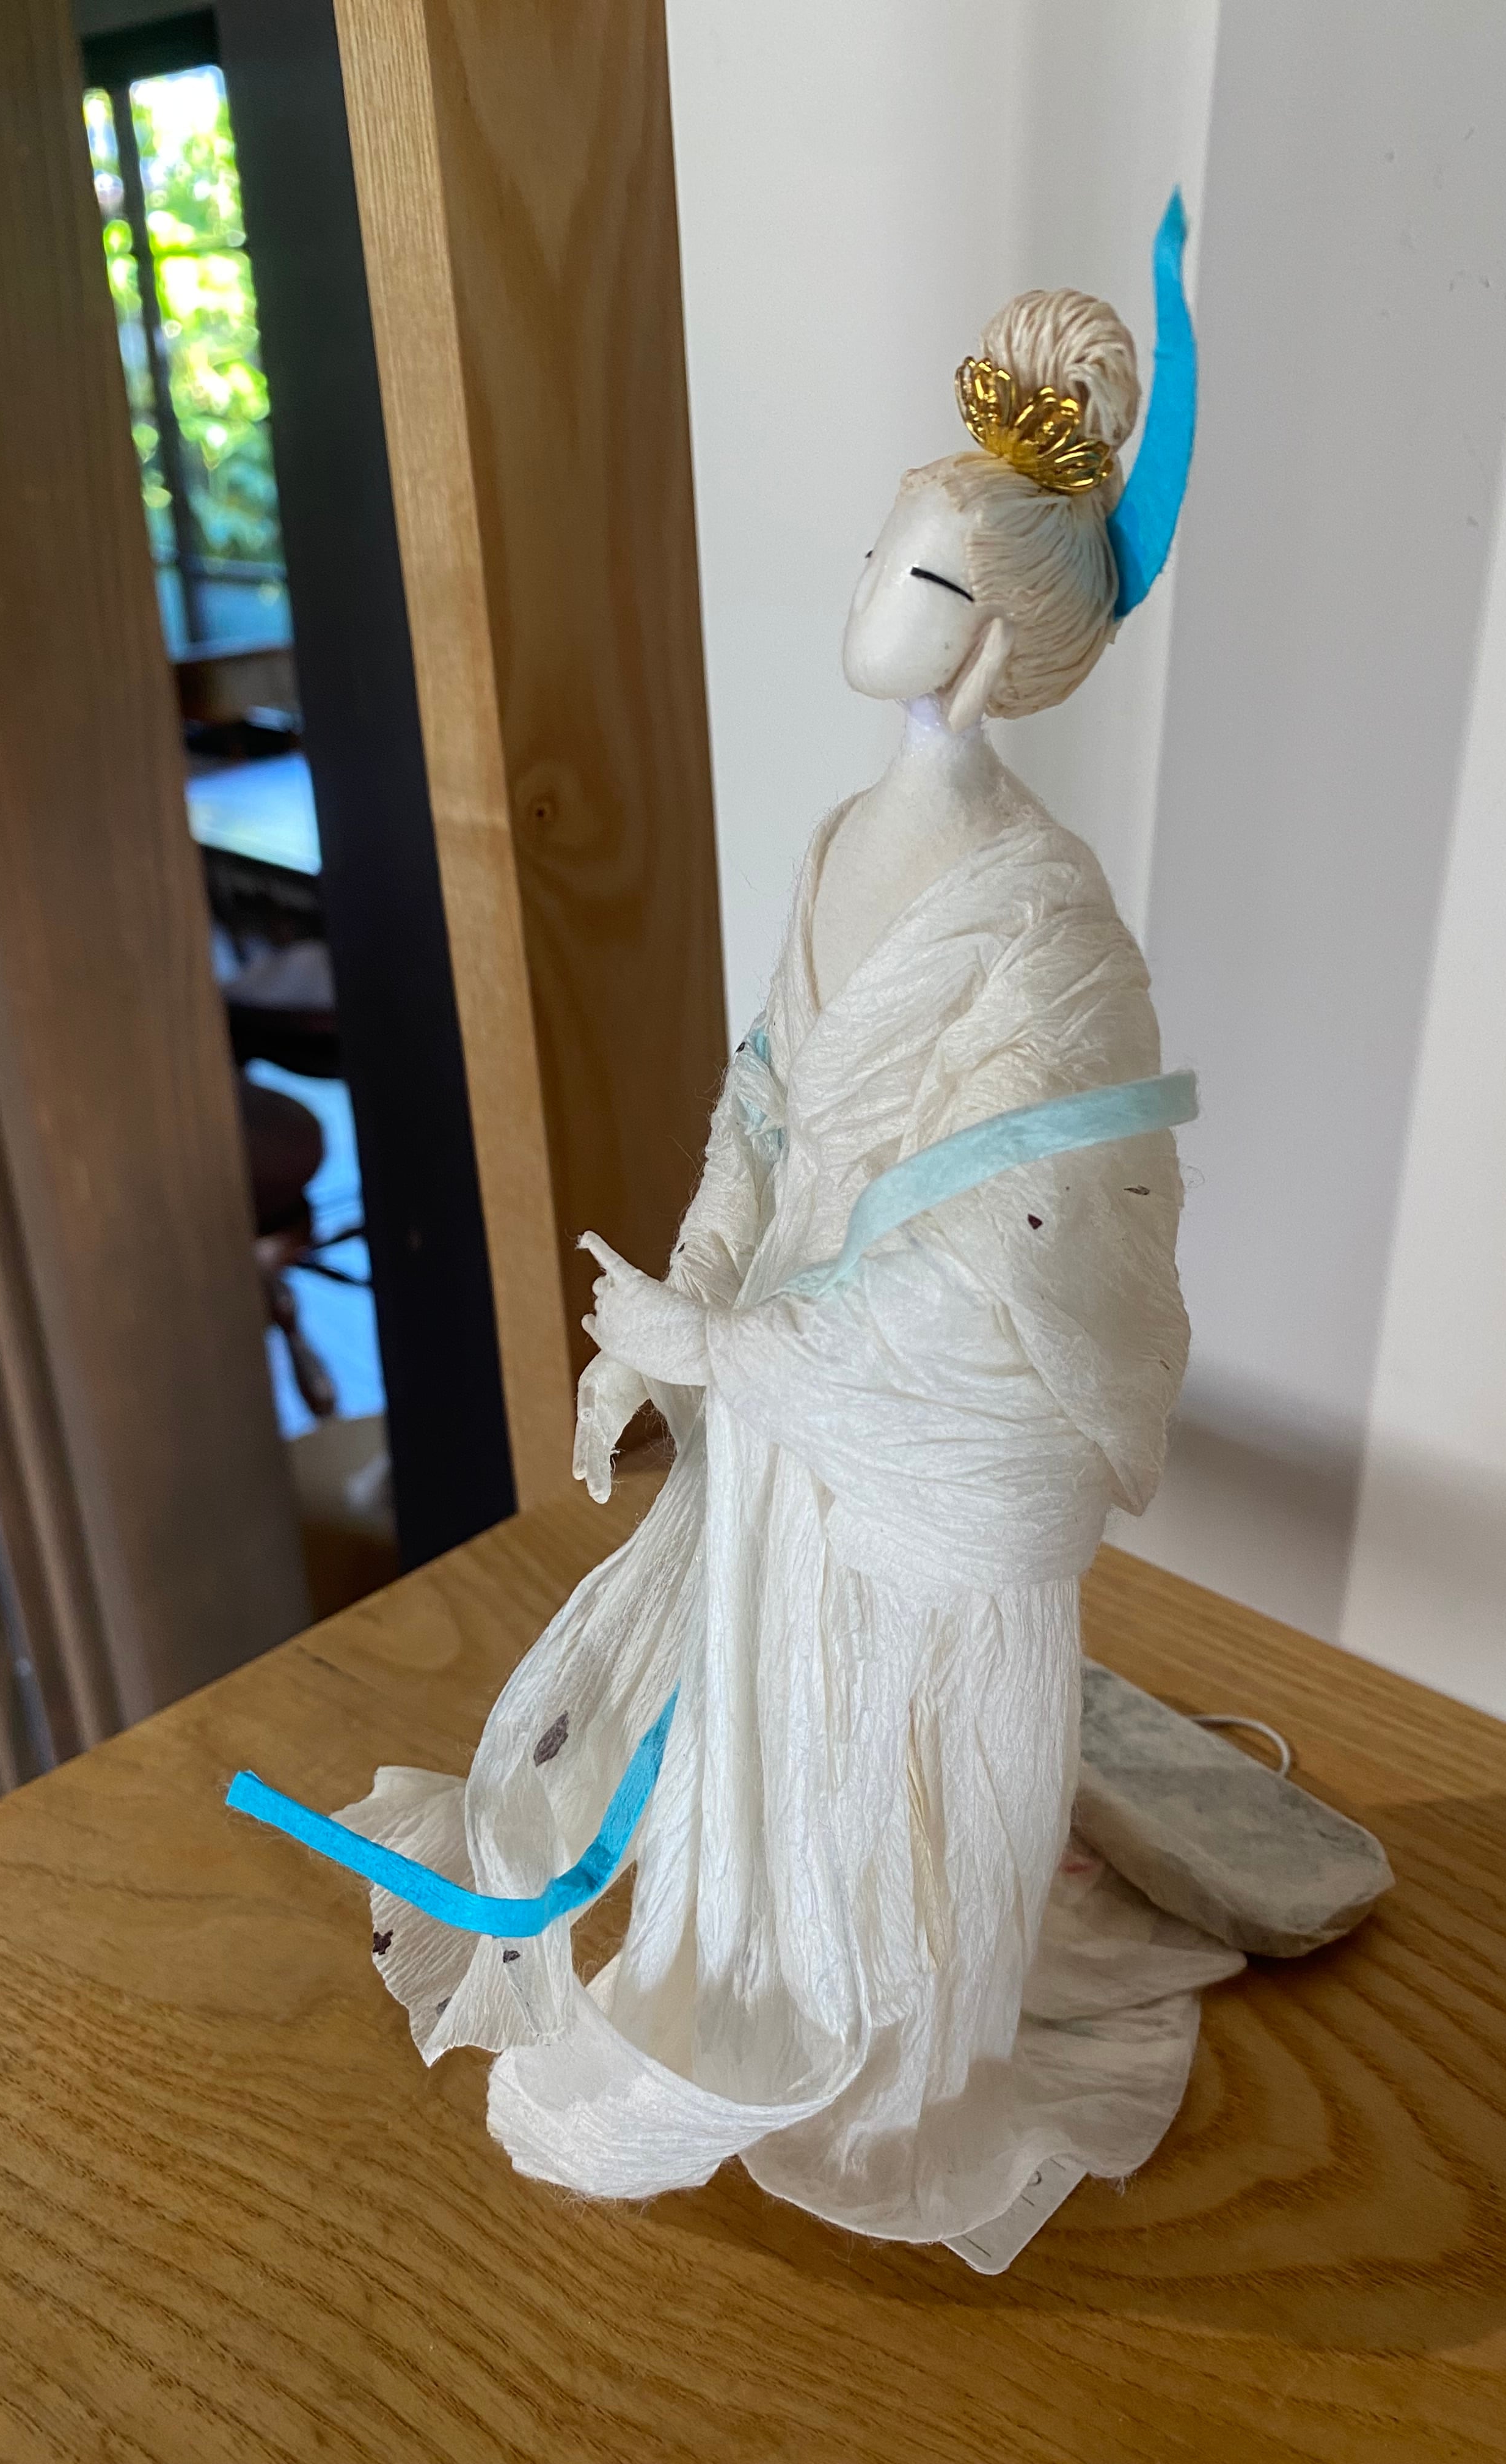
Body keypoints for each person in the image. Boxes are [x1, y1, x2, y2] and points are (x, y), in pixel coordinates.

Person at [340, 229, 1240, 2249]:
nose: (864, 599)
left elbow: (1018, 1228)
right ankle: (754, 1960)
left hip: (915, 1393)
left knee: (897, 1733)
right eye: (874, 555)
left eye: (915, 580)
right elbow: (763, 1099)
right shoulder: (844, 840)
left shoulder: (1046, 919)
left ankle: (905, 2039)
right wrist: (670, 1318)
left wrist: (745, 1347)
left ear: (996, 651)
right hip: (787, 1355)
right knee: (768, 1714)